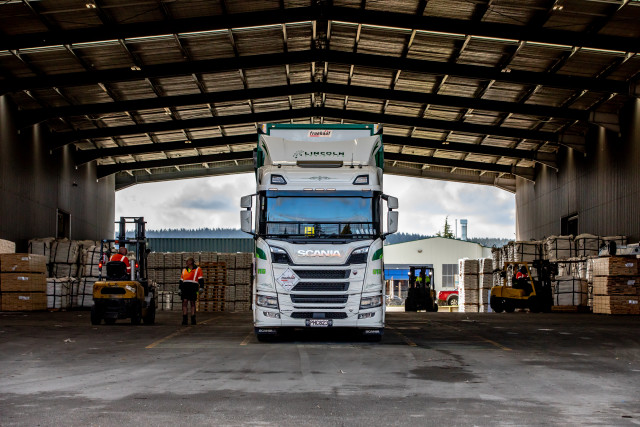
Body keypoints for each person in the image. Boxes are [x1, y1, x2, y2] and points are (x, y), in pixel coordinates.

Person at [179, 257, 204, 325]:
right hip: (185, 287)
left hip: (193, 287)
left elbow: (201, 279)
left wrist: (201, 287)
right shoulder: (184, 270)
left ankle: (193, 318)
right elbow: (181, 280)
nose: (186, 262)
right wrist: (180, 288)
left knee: (193, 302)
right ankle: (185, 319)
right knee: (184, 302)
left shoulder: (198, 269)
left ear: (191, 262)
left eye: (187, 261)